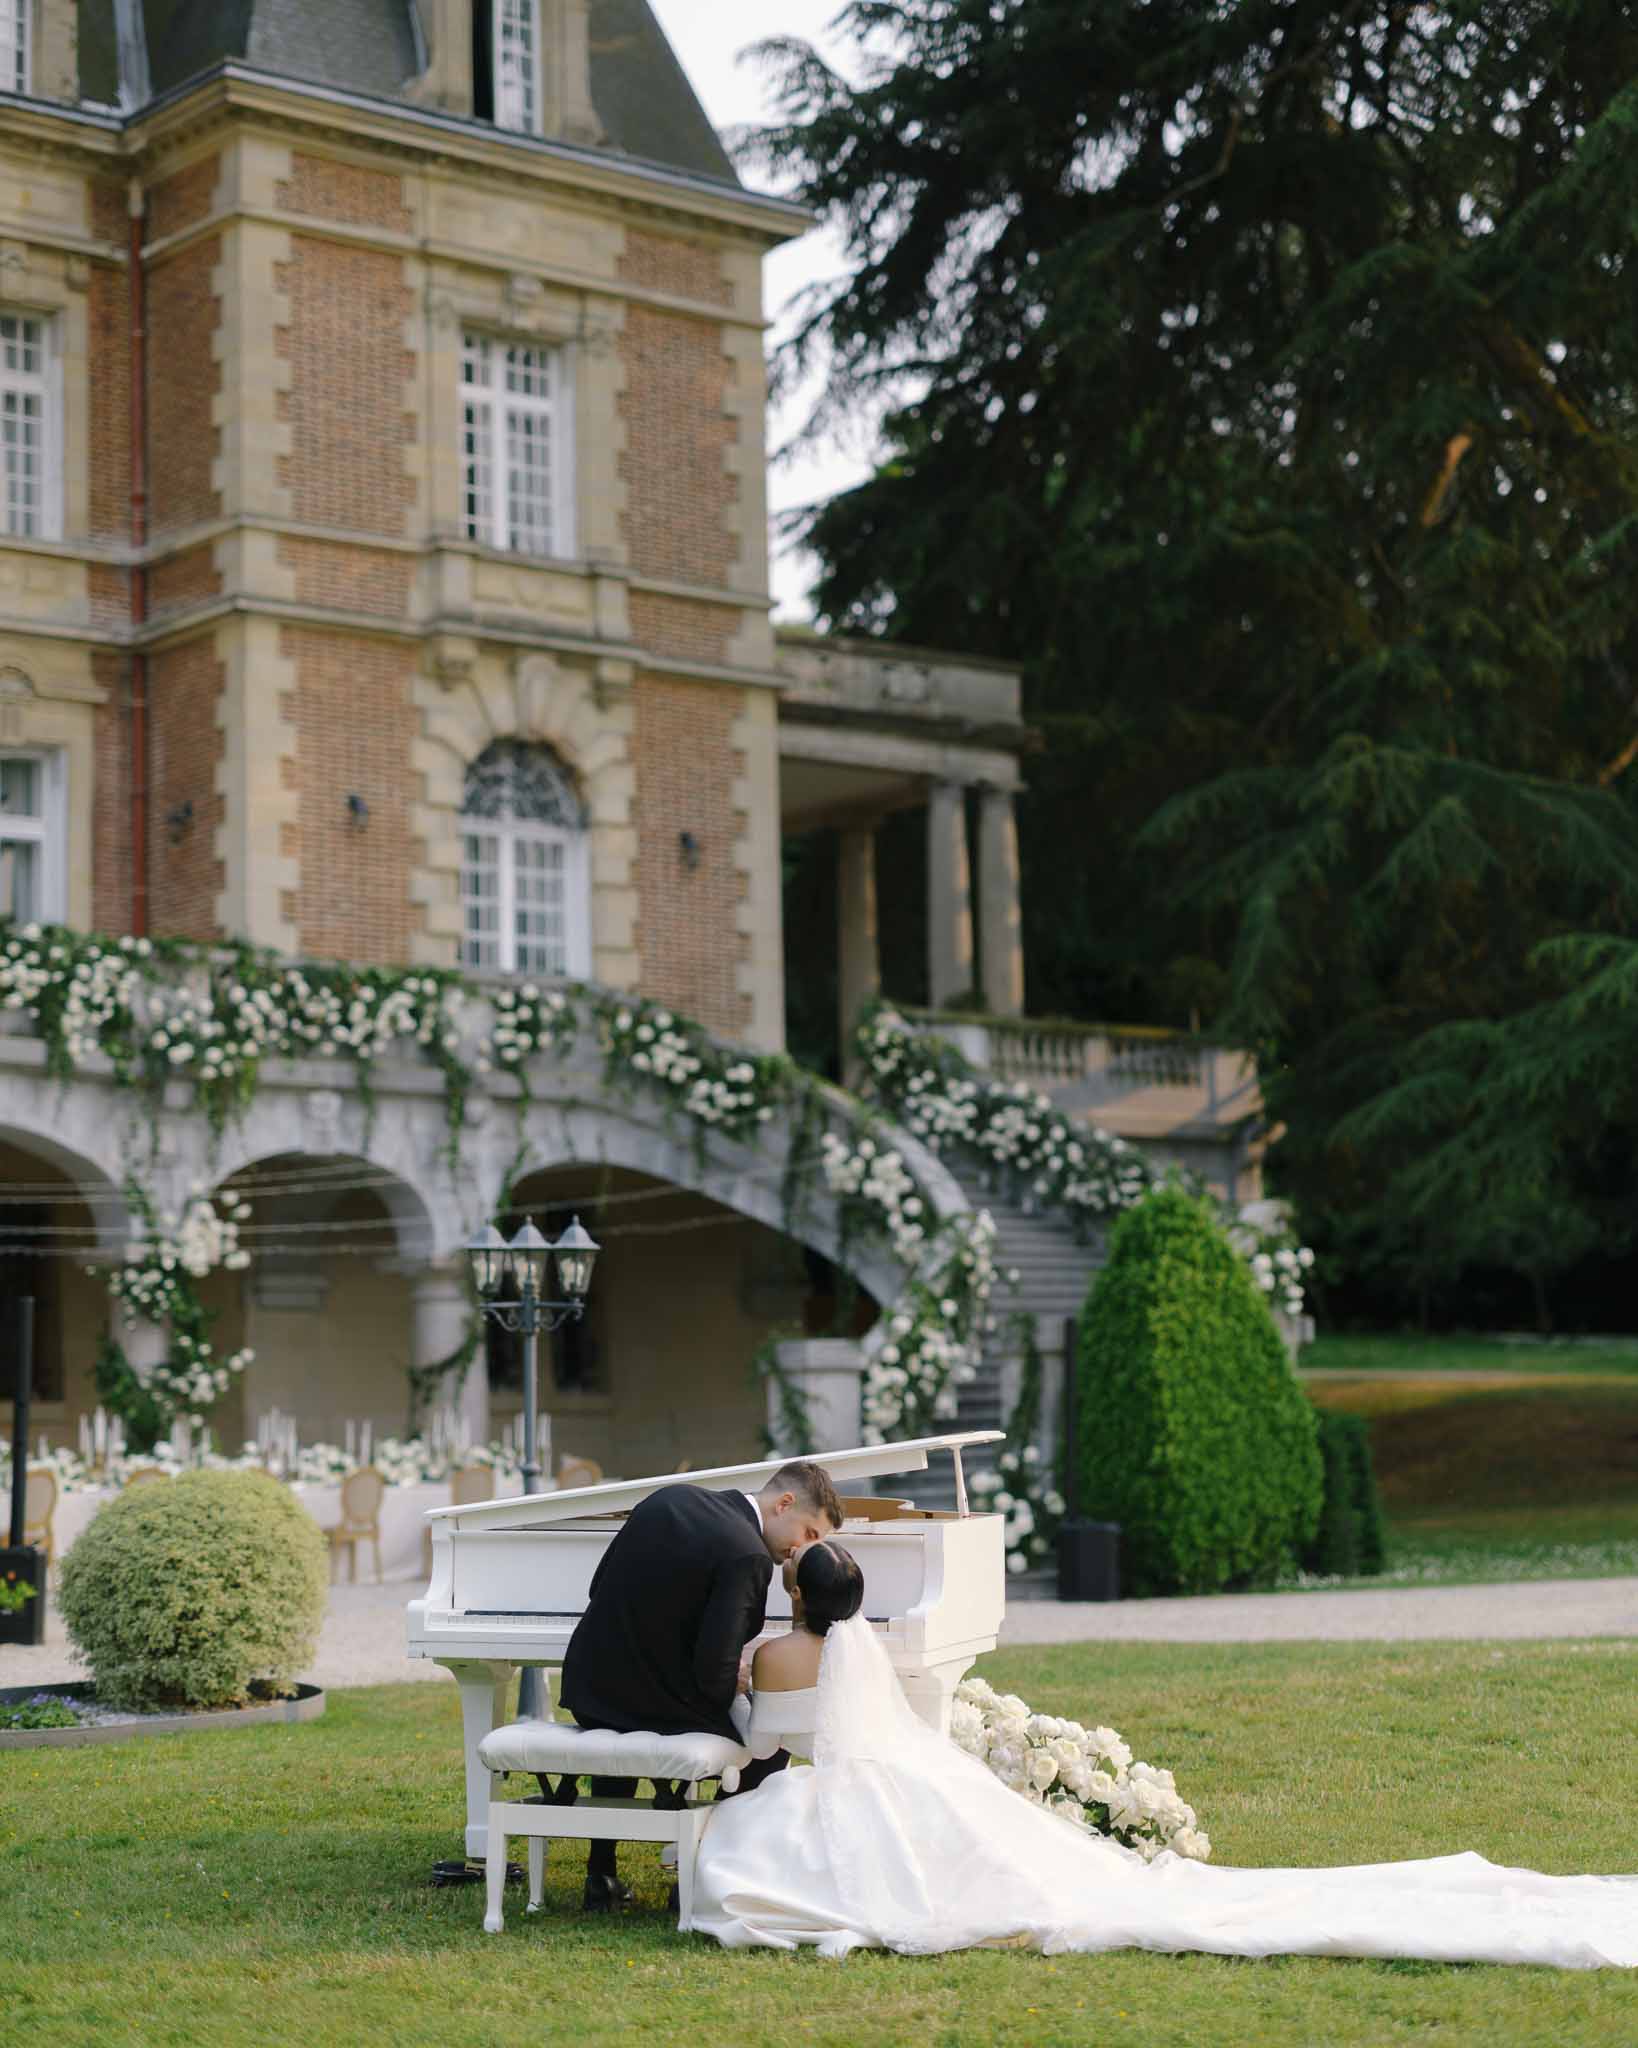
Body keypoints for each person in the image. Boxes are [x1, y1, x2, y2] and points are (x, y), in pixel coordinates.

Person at [690, 1549, 1638, 1967]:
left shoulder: (774, 1652)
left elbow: (759, 1734)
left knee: (740, 1839)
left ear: (797, 1596)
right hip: (896, 1779)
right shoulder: (861, 1651)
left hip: (822, 1789)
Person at [554, 1459, 843, 1909]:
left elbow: (598, 1588)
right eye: (809, 1533)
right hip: (647, 1701)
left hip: (592, 1687)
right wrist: (744, 1679)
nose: (802, 1551)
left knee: (646, 1704)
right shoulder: (748, 1554)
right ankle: (706, 1872)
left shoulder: (670, 1497)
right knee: (773, 1736)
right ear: (785, 1503)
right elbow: (713, 1677)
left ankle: (601, 1874)